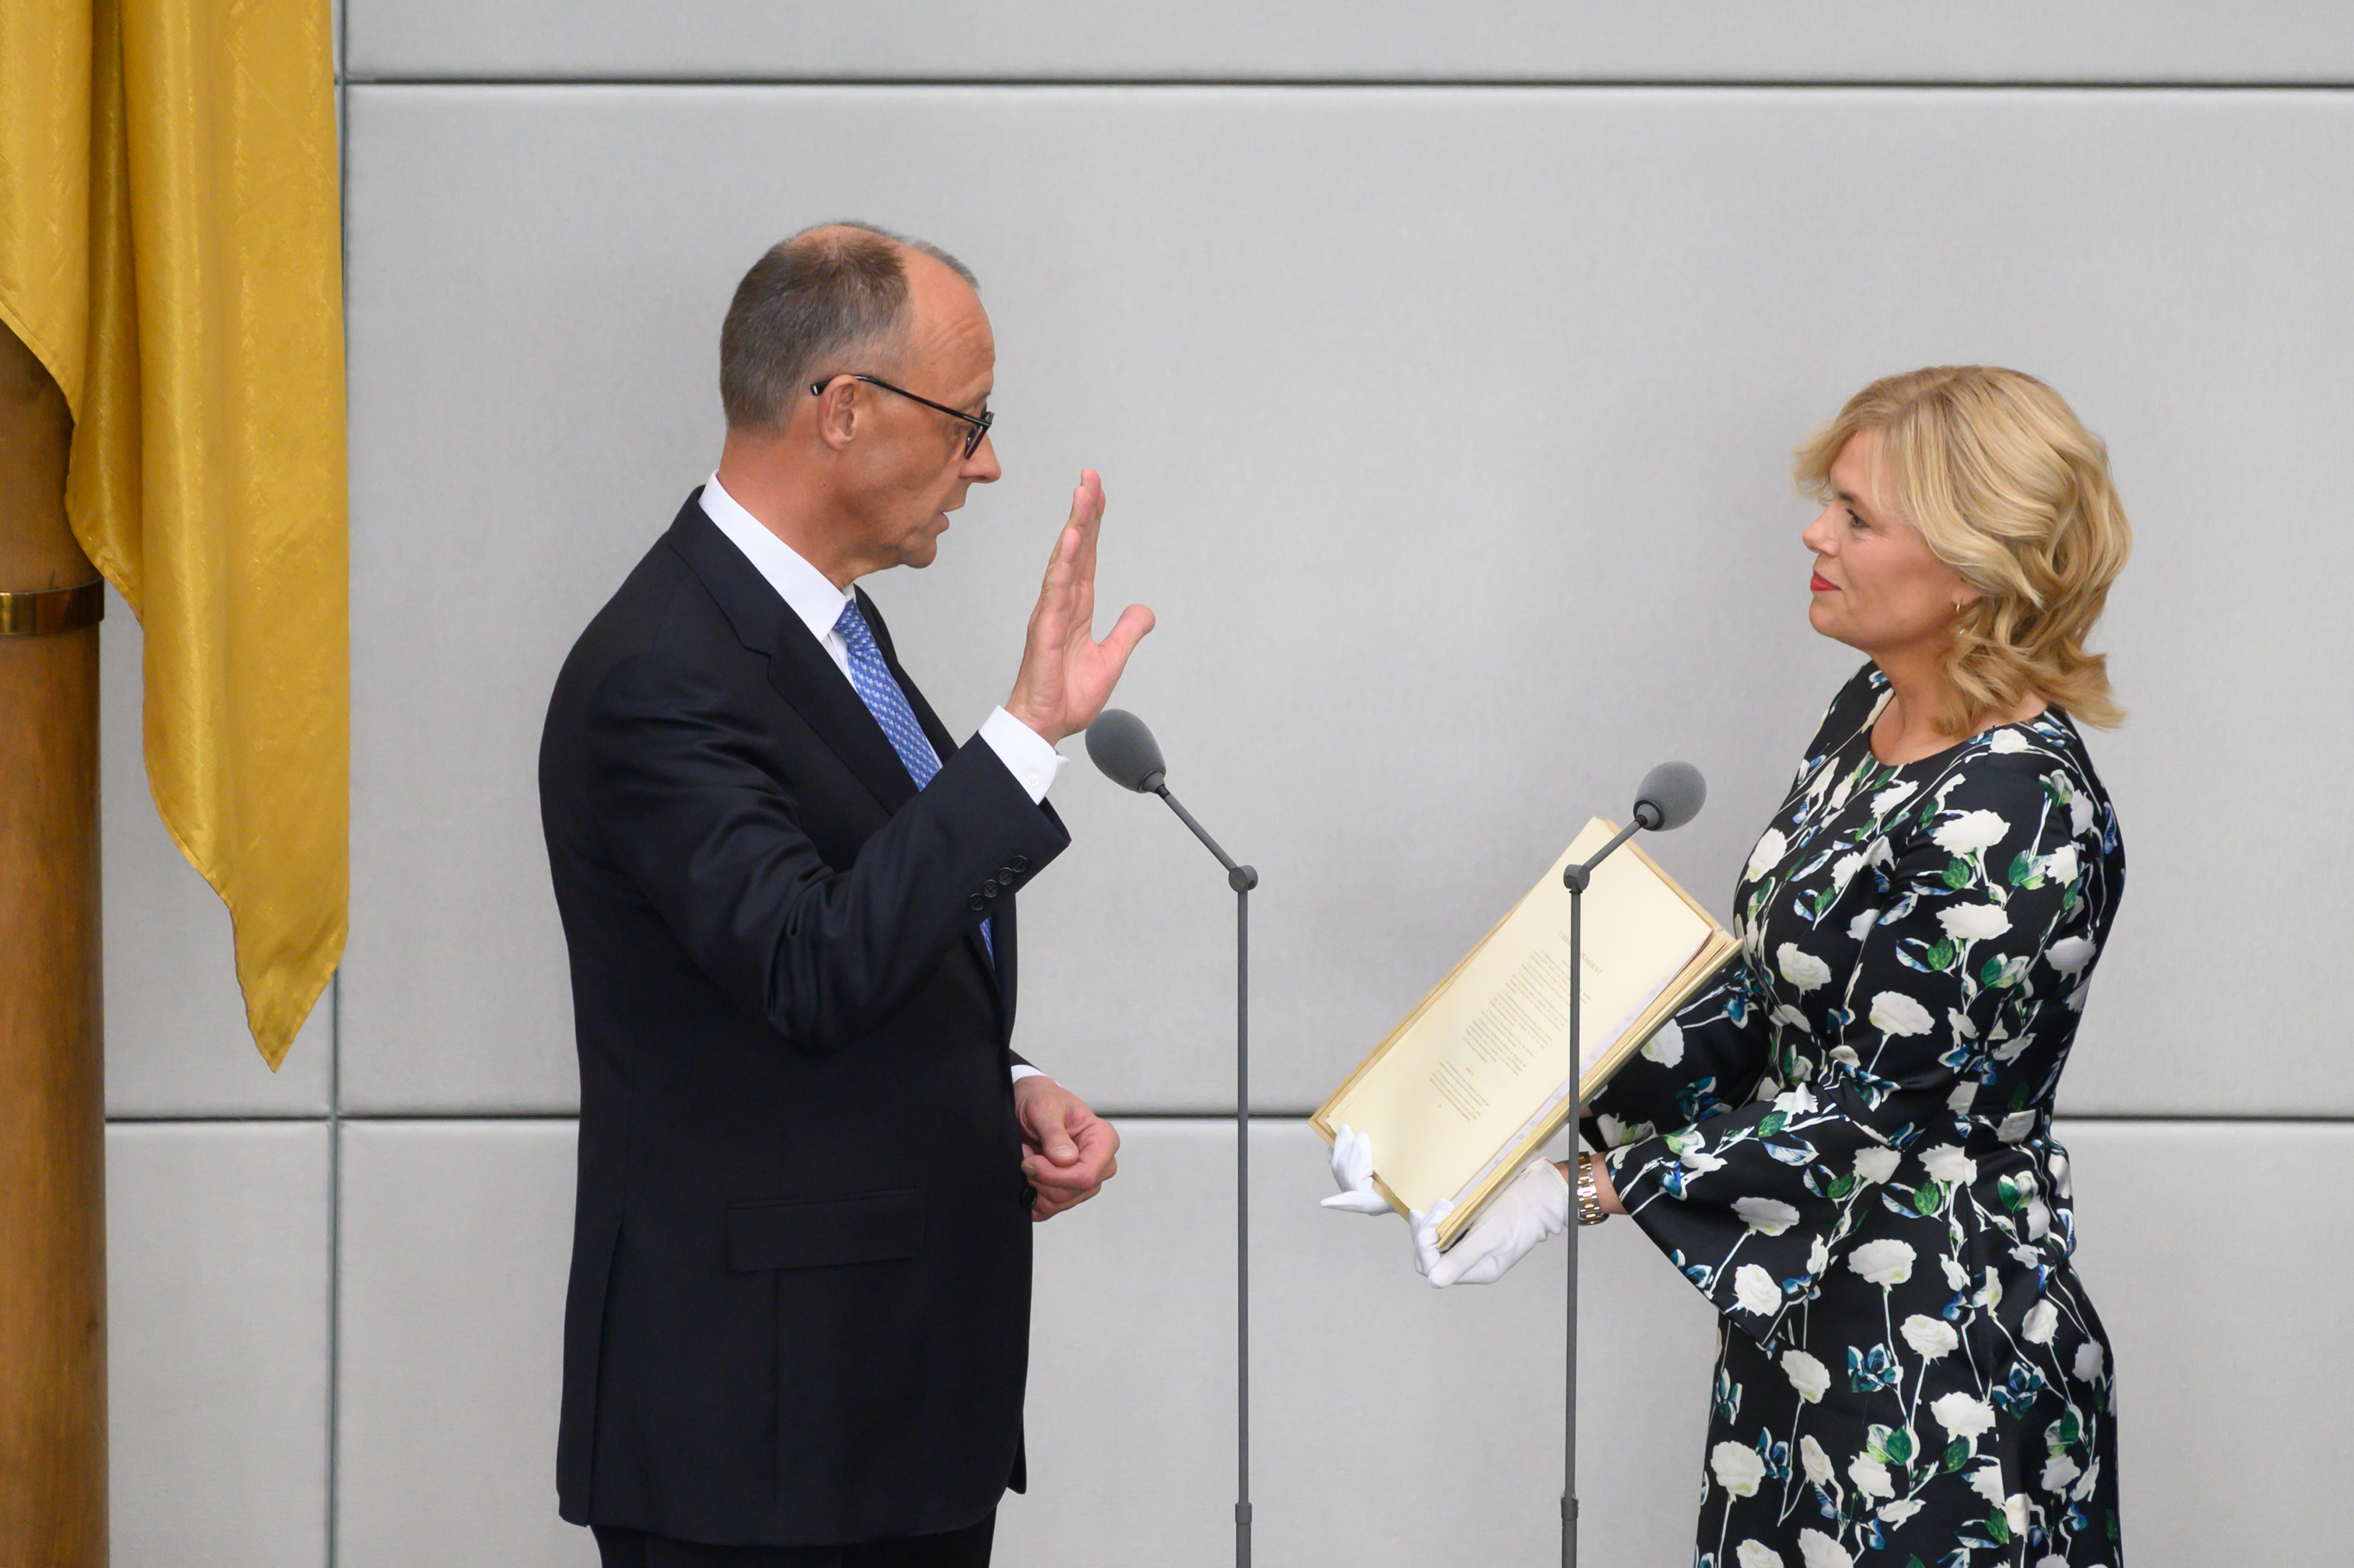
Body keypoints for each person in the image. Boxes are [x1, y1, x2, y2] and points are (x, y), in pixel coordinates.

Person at [1328, 367, 2132, 1568]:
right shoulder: (1869, 712)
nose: (1815, 532)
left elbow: (1879, 1109)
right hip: (1805, 1339)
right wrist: (1498, 1100)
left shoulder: (2017, 805)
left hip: (1943, 1356)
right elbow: (1770, 1005)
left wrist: (1578, 1195)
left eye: (1858, 516)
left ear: (1972, 566)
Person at [540, 222, 1153, 1568]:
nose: (986, 462)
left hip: (879, 1415)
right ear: (842, 411)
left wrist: (998, 1077)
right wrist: (1025, 735)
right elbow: (808, 966)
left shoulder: (824, 626)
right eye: (968, 422)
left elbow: (862, 919)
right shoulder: (663, 672)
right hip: (763, 1442)